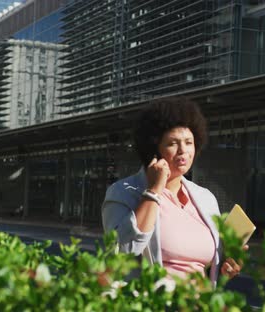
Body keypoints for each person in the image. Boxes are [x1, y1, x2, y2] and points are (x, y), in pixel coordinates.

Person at [101, 97, 244, 286]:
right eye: (172, 143)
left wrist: (228, 265)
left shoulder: (205, 198)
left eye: (189, 142)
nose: (183, 151)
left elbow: (209, 267)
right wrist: (153, 191)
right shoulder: (123, 192)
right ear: (154, 148)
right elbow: (122, 252)